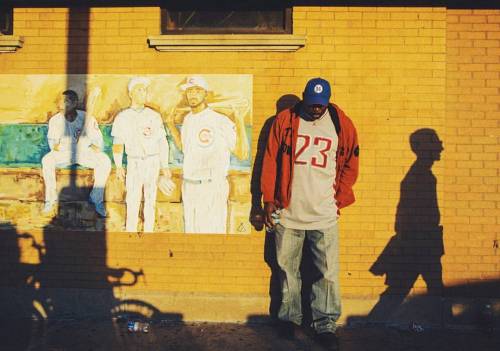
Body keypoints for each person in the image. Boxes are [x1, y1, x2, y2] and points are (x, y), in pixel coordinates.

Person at [261, 77, 359, 350]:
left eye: (321, 105)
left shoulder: (341, 123)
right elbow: (270, 159)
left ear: (328, 101)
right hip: (288, 211)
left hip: (324, 214)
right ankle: (289, 320)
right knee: (286, 269)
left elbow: (352, 161)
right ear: (303, 97)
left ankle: (325, 325)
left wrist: (338, 199)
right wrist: (268, 199)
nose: (316, 110)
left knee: (326, 273)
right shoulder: (284, 121)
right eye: (312, 104)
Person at [166, 76, 248, 234]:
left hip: (212, 187)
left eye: (197, 90)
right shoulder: (188, 119)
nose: (193, 94)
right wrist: (170, 125)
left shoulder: (220, 121)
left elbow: (242, 153)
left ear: (205, 94)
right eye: (190, 90)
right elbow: (185, 148)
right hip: (189, 186)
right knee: (191, 234)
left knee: (213, 235)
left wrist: (239, 120)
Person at [111, 77, 172, 233]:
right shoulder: (122, 117)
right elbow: (118, 144)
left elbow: (162, 142)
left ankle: (148, 232)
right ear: (131, 94)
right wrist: (118, 166)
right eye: (139, 89)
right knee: (132, 199)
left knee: (150, 200)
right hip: (134, 162)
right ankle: (130, 232)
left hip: (153, 161)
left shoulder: (154, 115)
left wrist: (165, 166)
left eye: (144, 89)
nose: (143, 92)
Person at [41, 89, 111, 217]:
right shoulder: (55, 120)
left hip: (84, 153)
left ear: (74, 103)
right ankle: (50, 199)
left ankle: (96, 199)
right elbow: (54, 146)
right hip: (65, 153)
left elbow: (98, 145)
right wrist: (71, 145)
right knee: (47, 160)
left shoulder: (87, 118)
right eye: (61, 102)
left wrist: (85, 143)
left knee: (104, 160)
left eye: (66, 101)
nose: (61, 105)